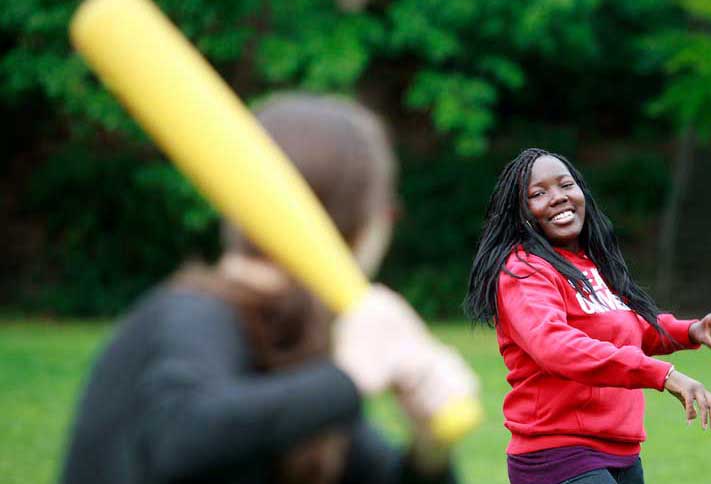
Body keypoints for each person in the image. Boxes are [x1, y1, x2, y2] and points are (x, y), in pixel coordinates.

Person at [60, 94, 477, 484]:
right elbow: (180, 441)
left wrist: (430, 448)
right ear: (368, 225)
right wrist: (348, 379)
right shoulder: (191, 315)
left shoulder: (297, 341)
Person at [463, 148, 711, 484]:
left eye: (565, 185)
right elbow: (556, 346)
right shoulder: (524, 271)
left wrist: (692, 330)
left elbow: (631, 329)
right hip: (557, 455)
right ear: (521, 213)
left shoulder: (591, 265)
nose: (558, 198)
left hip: (622, 450)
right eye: (538, 194)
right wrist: (665, 375)